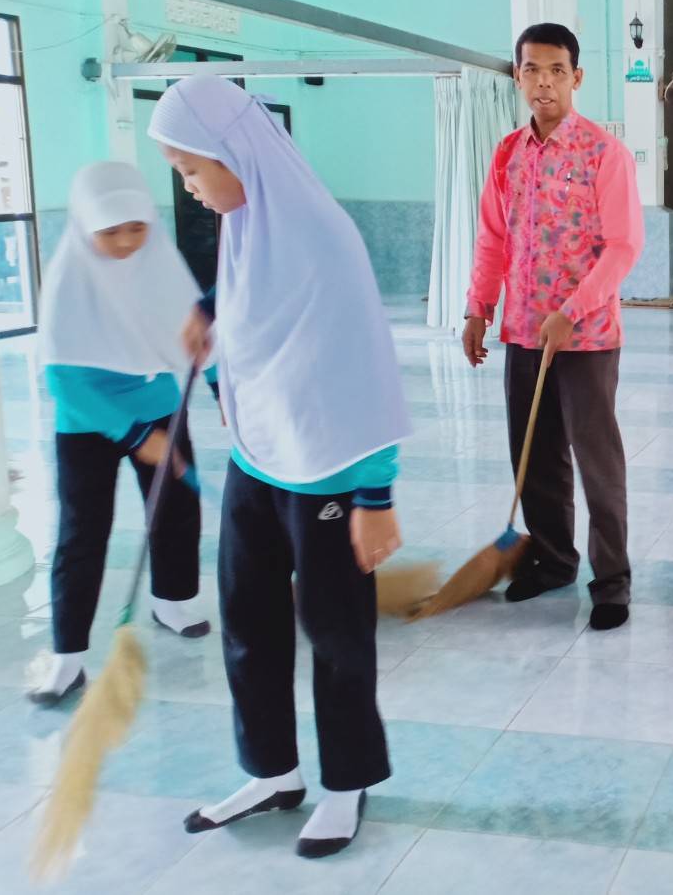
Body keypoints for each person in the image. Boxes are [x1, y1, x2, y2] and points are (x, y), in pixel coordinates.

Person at [149, 75, 410, 859]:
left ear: (234, 153)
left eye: (192, 169)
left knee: (335, 634)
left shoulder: (323, 238)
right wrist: (211, 321)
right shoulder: (246, 228)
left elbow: (366, 366)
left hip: (329, 474)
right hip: (258, 462)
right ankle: (272, 771)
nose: (189, 188)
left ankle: (346, 782)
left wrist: (375, 495)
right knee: (248, 620)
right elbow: (250, 317)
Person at [463, 23, 643, 632]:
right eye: (532, 70)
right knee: (534, 455)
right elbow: (493, 238)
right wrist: (478, 308)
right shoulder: (507, 154)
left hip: (586, 338)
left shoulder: (603, 153)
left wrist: (574, 309)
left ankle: (612, 580)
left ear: (576, 77)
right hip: (523, 331)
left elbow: (623, 247)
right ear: (518, 77)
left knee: (597, 463)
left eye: (556, 71)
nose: (544, 82)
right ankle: (553, 560)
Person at [28, 162, 210, 706]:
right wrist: (133, 437)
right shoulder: (67, 279)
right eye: (110, 231)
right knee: (83, 532)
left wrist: (222, 386)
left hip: (158, 407)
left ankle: (172, 600)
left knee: (176, 508)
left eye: (137, 227)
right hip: (88, 420)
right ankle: (67, 656)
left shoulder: (160, 263)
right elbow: (63, 382)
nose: (127, 242)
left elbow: (199, 332)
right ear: (85, 227)